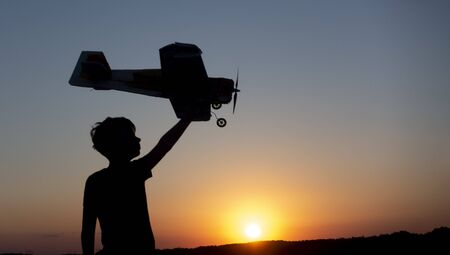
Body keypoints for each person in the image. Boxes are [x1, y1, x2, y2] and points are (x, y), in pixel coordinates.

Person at [81, 117, 191, 255]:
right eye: (130, 136)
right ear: (115, 143)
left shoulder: (94, 181)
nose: (138, 139)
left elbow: (87, 230)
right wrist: (188, 118)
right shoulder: (135, 171)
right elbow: (165, 145)